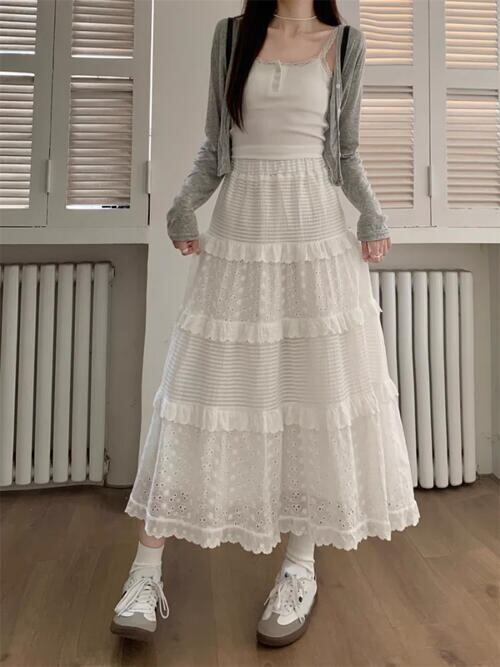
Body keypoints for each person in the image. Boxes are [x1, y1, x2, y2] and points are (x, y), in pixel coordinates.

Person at [110, 0, 421, 647]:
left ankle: (299, 567)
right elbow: (214, 147)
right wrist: (183, 206)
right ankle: (144, 573)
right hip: (242, 234)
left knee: (313, 398)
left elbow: (346, 151)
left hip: (313, 236)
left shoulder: (344, 44)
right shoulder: (231, 37)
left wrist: (373, 213)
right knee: (196, 394)